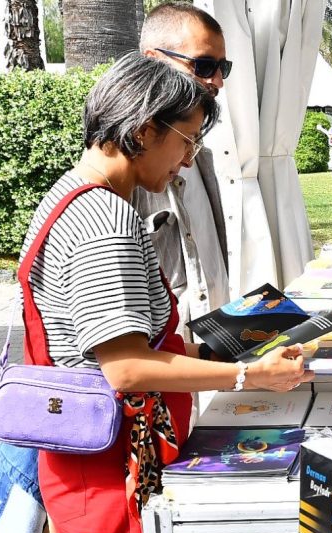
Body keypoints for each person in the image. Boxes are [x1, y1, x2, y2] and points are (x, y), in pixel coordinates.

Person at [24, 53, 313, 533]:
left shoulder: (71, 195)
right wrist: (249, 374)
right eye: (187, 141)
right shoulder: (106, 221)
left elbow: (115, 340)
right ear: (142, 129)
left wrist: (209, 348)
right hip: (110, 470)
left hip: (94, 458)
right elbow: (126, 368)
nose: (186, 161)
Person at [134, 2, 232, 339]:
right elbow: (123, 362)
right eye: (204, 65)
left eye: (223, 67)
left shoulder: (201, 152)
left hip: (204, 348)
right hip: (162, 365)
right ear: (152, 60)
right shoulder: (120, 173)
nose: (217, 80)